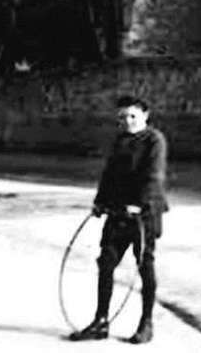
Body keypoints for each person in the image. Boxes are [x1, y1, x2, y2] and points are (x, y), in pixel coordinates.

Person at [71, 94, 168, 344]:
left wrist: (140, 205)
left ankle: (146, 324)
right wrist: (100, 202)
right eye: (123, 117)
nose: (128, 121)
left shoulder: (154, 140)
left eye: (133, 116)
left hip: (144, 215)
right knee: (106, 262)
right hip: (116, 212)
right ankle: (100, 321)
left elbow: (154, 175)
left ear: (145, 115)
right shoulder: (120, 141)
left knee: (144, 266)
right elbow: (109, 174)